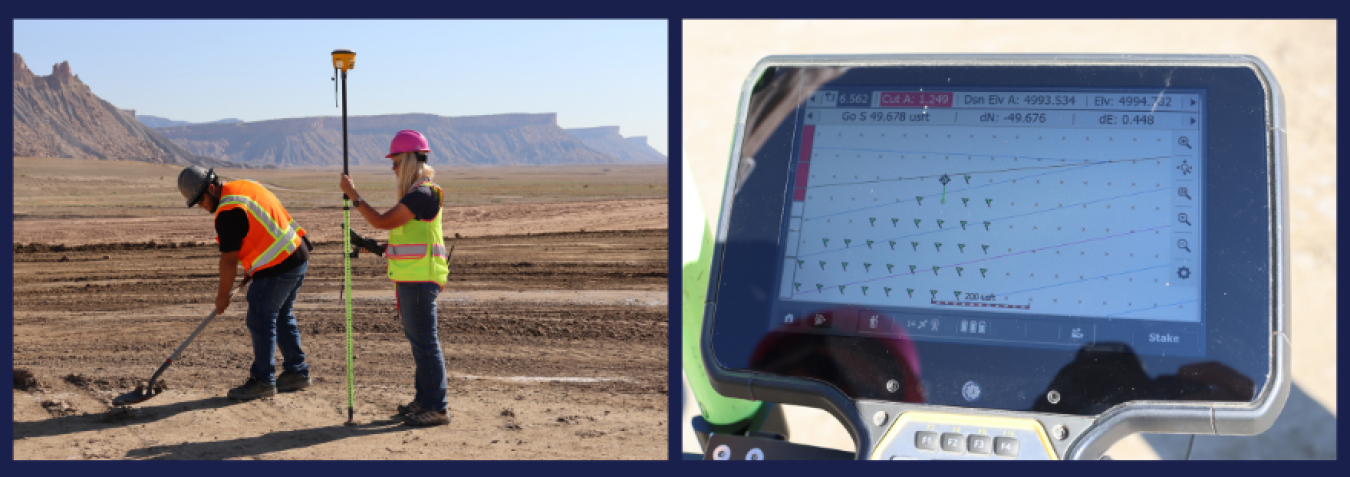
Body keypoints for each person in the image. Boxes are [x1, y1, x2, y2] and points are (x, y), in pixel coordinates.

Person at [338, 129, 451, 427]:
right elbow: (408, 235)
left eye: (396, 161)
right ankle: (424, 400)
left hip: (419, 279)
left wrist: (355, 197)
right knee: (419, 342)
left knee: (425, 342)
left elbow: (382, 221)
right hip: (412, 277)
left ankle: (436, 407)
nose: (393, 168)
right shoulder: (418, 194)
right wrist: (378, 246)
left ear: (412, 160)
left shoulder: (423, 193)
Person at [177, 166, 314, 401]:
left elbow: (229, 260)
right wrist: (253, 267)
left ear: (211, 188)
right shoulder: (243, 187)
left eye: (201, 201)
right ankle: (296, 373)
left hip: (280, 264)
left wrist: (222, 296)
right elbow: (261, 228)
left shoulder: (228, 211)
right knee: (280, 315)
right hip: (297, 254)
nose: (202, 206)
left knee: (260, 316)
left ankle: (263, 380)